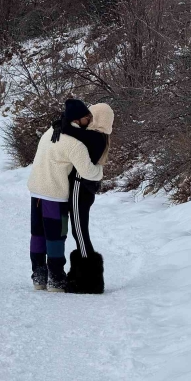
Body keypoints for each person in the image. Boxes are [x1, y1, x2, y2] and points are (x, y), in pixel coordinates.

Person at [27, 100, 103, 293]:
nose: (90, 120)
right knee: (55, 236)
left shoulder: (49, 132)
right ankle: (56, 278)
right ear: (78, 119)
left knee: (38, 235)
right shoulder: (74, 144)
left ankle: (39, 275)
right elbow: (88, 173)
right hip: (55, 194)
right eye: (88, 117)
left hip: (36, 191)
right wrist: (100, 168)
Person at [52, 103, 114, 294]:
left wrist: (59, 124)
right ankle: (85, 276)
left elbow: (70, 130)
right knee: (79, 231)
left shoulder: (95, 137)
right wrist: (59, 124)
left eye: (92, 115)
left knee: (79, 232)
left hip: (81, 189)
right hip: (82, 189)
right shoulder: (98, 136)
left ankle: (89, 280)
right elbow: (71, 130)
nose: (89, 118)